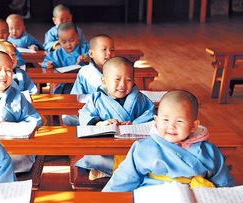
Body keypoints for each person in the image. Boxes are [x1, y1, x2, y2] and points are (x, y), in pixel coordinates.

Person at [103, 90, 235, 192]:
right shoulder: (143, 147)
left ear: (194, 126)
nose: (171, 126)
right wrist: (104, 202)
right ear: (156, 120)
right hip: (153, 197)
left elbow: (224, 183)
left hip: (195, 198)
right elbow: (125, 178)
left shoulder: (208, 151)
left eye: (179, 121)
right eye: (165, 120)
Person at [75, 57, 155, 178]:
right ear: (104, 81)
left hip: (133, 146)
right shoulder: (95, 99)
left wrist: (134, 124)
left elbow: (150, 114)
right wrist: (99, 123)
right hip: (107, 148)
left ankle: (107, 171)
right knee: (94, 156)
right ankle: (119, 170)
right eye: (117, 79)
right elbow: (85, 115)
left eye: (128, 80)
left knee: (149, 154)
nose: (122, 85)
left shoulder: (140, 98)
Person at [63, 34, 115, 126]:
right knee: (67, 117)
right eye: (104, 50)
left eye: (112, 50)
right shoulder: (85, 72)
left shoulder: (117, 69)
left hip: (112, 111)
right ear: (91, 54)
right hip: (91, 112)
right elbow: (76, 97)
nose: (109, 53)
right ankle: (96, 123)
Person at [42, 22, 90, 94]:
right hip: (65, 85)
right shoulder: (57, 54)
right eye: (64, 42)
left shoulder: (85, 48)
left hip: (85, 83)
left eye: (71, 40)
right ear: (58, 40)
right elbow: (45, 62)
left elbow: (95, 55)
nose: (68, 44)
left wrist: (87, 58)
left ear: (78, 36)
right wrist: (47, 64)